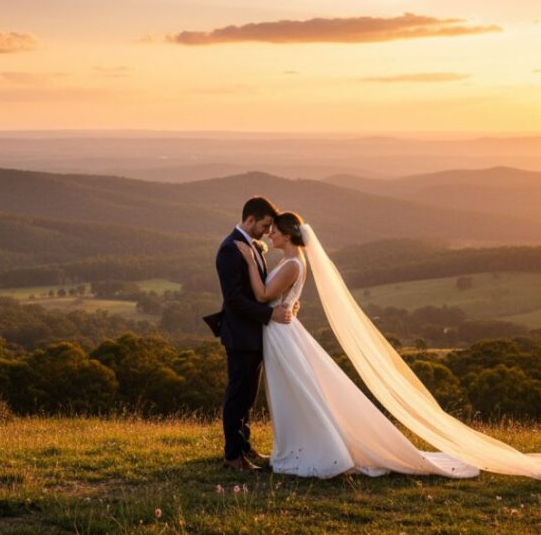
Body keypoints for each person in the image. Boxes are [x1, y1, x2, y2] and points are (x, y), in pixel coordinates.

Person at [236, 210, 541, 480]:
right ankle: (297, 446)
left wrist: (249, 260)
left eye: (274, 230)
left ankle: (316, 449)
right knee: (293, 392)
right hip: (279, 330)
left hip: (281, 334)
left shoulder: (292, 263)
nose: (270, 234)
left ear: (288, 234)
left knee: (297, 392)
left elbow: (263, 295)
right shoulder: (291, 260)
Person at [214, 196, 295, 471]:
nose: (267, 232)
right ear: (250, 220)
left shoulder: (252, 246)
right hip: (240, 335)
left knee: (248, 395)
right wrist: (269, 314)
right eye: (264, 225)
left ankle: (244, 446)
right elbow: (234, 299)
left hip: (254, 334)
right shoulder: (229, 250)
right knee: (238, 394)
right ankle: (232, 456)